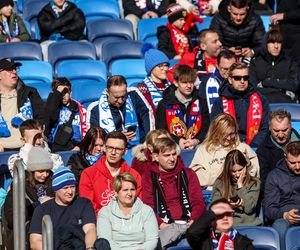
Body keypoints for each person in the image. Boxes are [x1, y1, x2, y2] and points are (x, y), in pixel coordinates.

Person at [142, 137, 206, 248]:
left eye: (174, 154)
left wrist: (192, 221)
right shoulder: (148, 177)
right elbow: (148, 207)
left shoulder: (188, 173)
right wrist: (161, 224)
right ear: (156, 157)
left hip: (189, 224)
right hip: (164, 226)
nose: (172, 159)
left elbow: (198, 202)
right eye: (167, 155)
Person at [29, 166, 96, 250]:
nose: (70, 192)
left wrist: (90, 248)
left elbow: (90, 229)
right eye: (65, 188)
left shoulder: (84, 204)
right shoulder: (42, 209)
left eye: (72, 187)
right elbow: (35, 241)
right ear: (56, 190)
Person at [190, 113, 259, 190]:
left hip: (241, 191)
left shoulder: (242, 147)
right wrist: (225, 173)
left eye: (231, 134)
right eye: (224, 134)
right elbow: (196, 177)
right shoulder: (204, 150)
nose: (229, 138)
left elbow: (255, 175)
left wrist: (248, 165)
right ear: (216, 132)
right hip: (214, 194)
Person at [79, 131, 142, 216]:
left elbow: (137, 205)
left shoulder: (134, 175)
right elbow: (88, 207)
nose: (113, 152)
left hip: (127, 223)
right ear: (104, 148)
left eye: (118, 149)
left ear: (125, 151)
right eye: (110, 147)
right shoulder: (88, 174)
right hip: (99, 223)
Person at [4, 147, 54, 250]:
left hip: (51, 229)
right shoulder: (19, 186)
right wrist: (37, 206)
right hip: (29, 233)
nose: (45, 175)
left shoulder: (53, 183)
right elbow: (11, 218)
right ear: (32, 170)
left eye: (47, 171)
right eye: (40, 171)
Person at [211, 62, 269, 147]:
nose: (242, 81)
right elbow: (216, 128)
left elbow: (264, 128)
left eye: (245, 78)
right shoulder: (219, 102)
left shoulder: (261, 100)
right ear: (230, 79)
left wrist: (252, 146)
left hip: (255, 146)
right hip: (228, 146)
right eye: (237, 78)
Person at [87, 75, 154, 148]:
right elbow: (93, 138)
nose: (120, 101)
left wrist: (148, 142)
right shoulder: (95, 109)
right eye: (116, 97)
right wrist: (117, 137)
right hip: (110, 151)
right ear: (107, 92)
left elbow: (147, 115)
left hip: (139, 146)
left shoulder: (133, 94)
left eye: (123, 96)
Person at [97, 173, 159, 250]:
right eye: (125, 190)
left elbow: (152, 240)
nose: (129, 193)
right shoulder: (105, 212)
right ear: (116, 193)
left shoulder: (146, 211)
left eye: (132, 190)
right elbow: (106, 240)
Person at [156, 64, 210, 150]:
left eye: (191, 82)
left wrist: (196, 140)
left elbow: (206, 127)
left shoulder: (202, 102)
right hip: (171, 146)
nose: (189, 86)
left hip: (198, 145)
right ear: (176, 83)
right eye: (184, 82)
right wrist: (178, 140)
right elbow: (161, 130)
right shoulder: (164, 104)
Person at [0, 58, 46, 151]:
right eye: (9, 69)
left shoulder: (30, 93)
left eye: (15, 69)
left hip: (27, 148)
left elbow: (42, 118)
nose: (14, 72)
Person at [264, 141, 300, 250]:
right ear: (285, 157)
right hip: (285, 218)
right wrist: (284, 215)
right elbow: (269, 209)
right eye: (293, 163)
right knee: (280, 226)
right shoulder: (274, 176)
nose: (298, 166)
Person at [256, 109, 300, 197]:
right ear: (269, 128)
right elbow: (265, 184)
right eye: (276, 131)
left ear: (290, 126)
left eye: (284, 130)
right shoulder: (263, 152)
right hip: (280, 199)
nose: (280, 135)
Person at [212, 149, 261, 226]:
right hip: (227, 226)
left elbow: (249, 209)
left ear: (245, 166)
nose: (237, 175)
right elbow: (215, 209)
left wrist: (240, 186)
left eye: (240, 170)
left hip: (249, 225)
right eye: (234, 171)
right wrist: (228, 205)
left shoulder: (254, 183)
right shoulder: (220, 183)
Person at [249, 28, 299, 103]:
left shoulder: (290, 62)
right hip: (263, 103)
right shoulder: (255, 63)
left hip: (286, 103)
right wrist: (281, 88)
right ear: (266, 44)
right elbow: (253, 87)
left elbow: (294, 85)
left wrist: (267, 82)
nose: (276, 46)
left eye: (279, 42)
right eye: (272, 42)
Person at [186, 198, 254, 249]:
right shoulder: (203, 240)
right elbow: (191, 232)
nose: (225, 218)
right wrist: (213, 212)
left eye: (228, 214)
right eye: (219, 214)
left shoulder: (244, 243)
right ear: (211, 218)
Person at [46, 77, 87, 152]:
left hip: (76, 149)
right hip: (55, 149)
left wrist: (79, 147)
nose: (63, 95)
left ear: (70, 93)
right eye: (60, 93)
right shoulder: (52, 108)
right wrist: (56, 95)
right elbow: (49, 117)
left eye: (65, 92)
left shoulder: (80, 109)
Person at [135, 46, 170, 117]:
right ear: (151, 69)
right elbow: (149, 112)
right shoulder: (143, 87)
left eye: (166, 65)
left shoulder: (171, 85)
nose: (165, 69)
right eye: (160, 66)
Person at [198, 49, 236, 114]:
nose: (228, 72)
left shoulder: (242, 80)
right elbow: (203, 111)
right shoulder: (206, 83)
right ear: (217, 66)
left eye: (231, 68)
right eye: (225, 69)